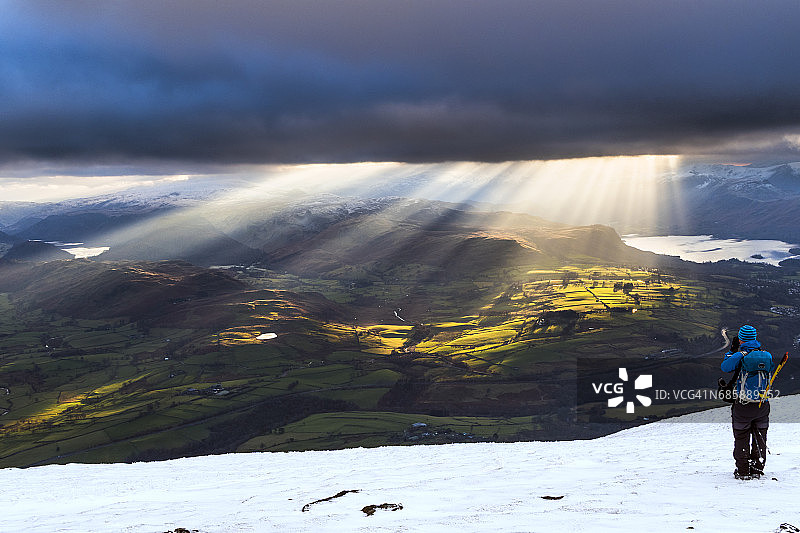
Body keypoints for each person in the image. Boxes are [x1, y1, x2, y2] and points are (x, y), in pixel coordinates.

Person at [720, 325, 780, 480]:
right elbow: (770, 369)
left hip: (743, 404)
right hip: (762, 403)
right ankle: (757, 468)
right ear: (755, 337)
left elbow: (725, 367)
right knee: (760, 436)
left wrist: (732, 351)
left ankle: (743, 470)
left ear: (740, 339)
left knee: (741, 436)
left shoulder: (740, 354)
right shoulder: (765, 355)